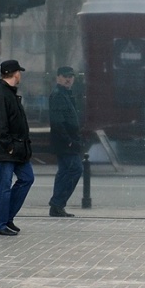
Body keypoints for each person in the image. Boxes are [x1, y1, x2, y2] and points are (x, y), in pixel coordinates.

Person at [0, 59, 33, 236]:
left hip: (17, 149)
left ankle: (6, 218)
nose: (20, 75)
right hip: (8, 150)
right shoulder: (1, 94)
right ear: (15, 73)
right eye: (19, 72)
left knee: (27, 178)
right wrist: (9, 147)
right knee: (3, 186)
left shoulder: (9, 93)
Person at [48, 65, 83, 217]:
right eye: (65, 76)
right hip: (65, 141)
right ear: (58, 77)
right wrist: (69, 141)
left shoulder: (65, 94)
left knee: (64, 171)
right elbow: (58, 122)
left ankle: (57, 206)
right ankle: (57, 203)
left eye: (70, 76)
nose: (68, 79)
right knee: (75, 169)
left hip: (66, 140)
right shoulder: (59, 95)